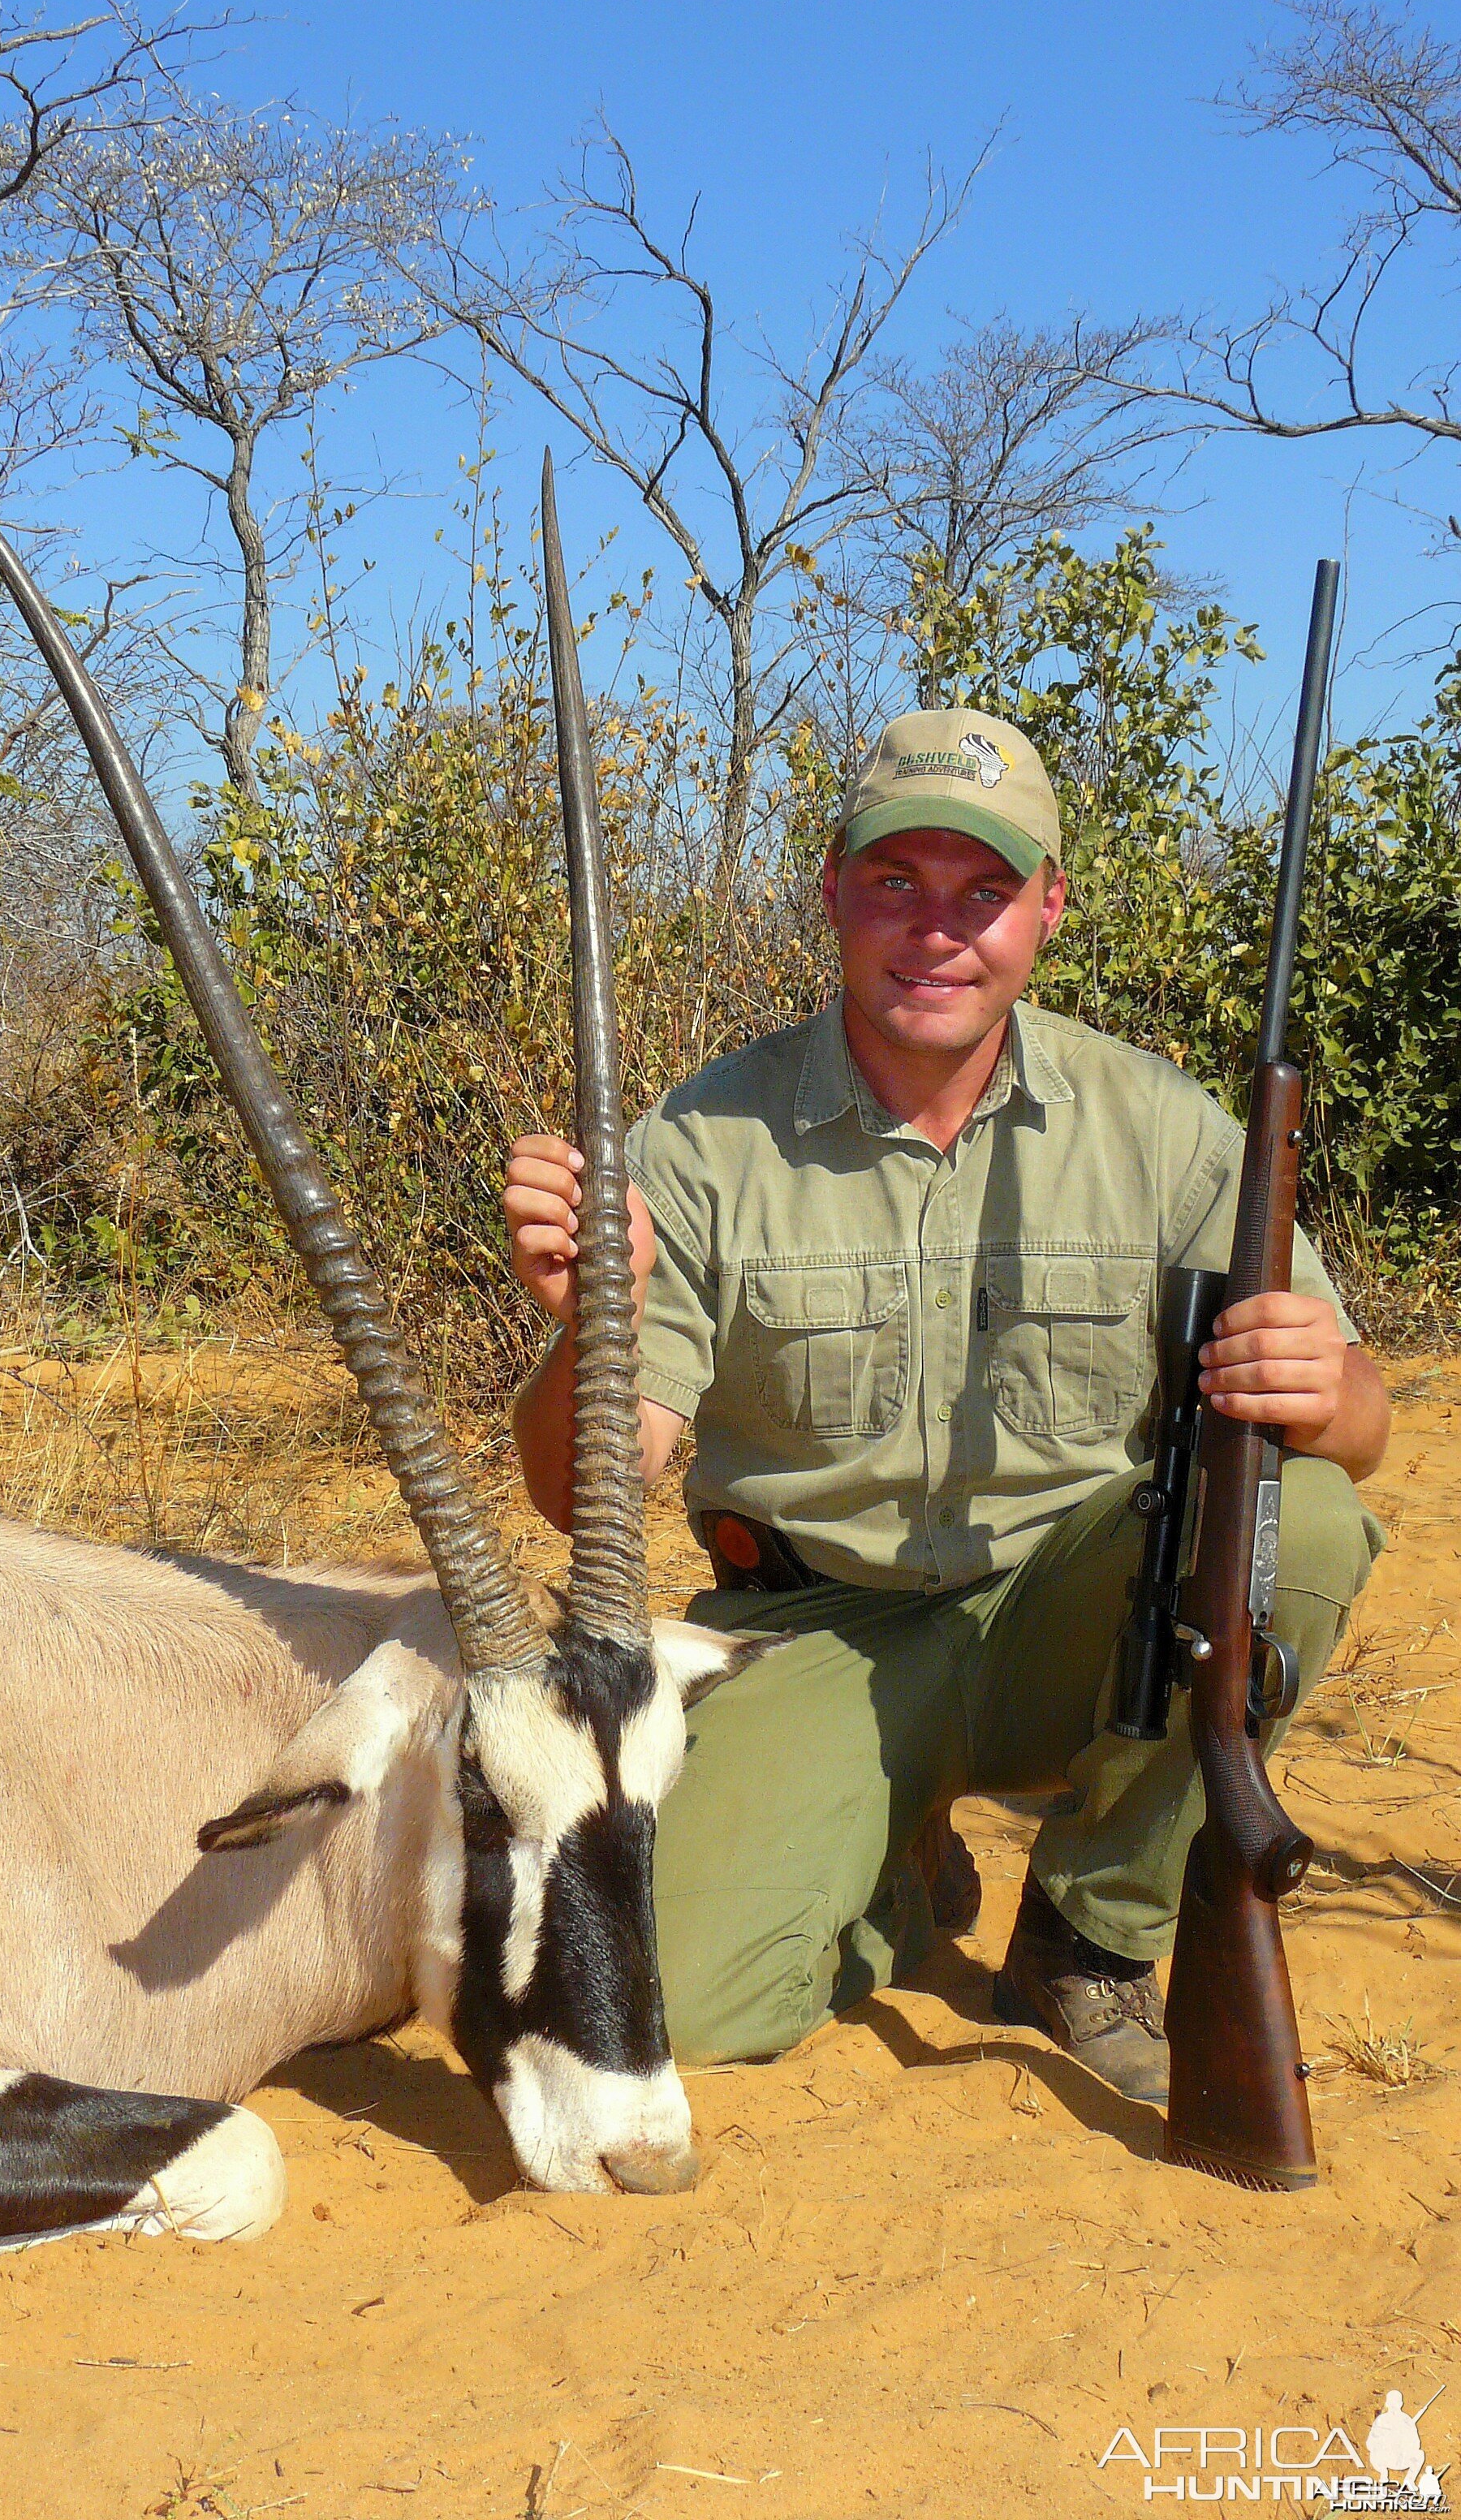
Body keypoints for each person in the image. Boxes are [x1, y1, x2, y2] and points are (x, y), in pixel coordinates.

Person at [505, 705, 1389, 2103]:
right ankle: (896, 1877)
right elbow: (583, 1492)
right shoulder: (696, 1139)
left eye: (983, 892)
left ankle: (1089, 1936)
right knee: (682, 2000)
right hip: (810, 1627)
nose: (937, 930)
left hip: (1074, 1625)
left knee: (1310, 1522)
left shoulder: (1158, 1125)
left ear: (1046, 909)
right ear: (831, 896)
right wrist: (585, 1332)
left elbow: (1361, 1422)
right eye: (895, 886)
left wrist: (1321, 1386)